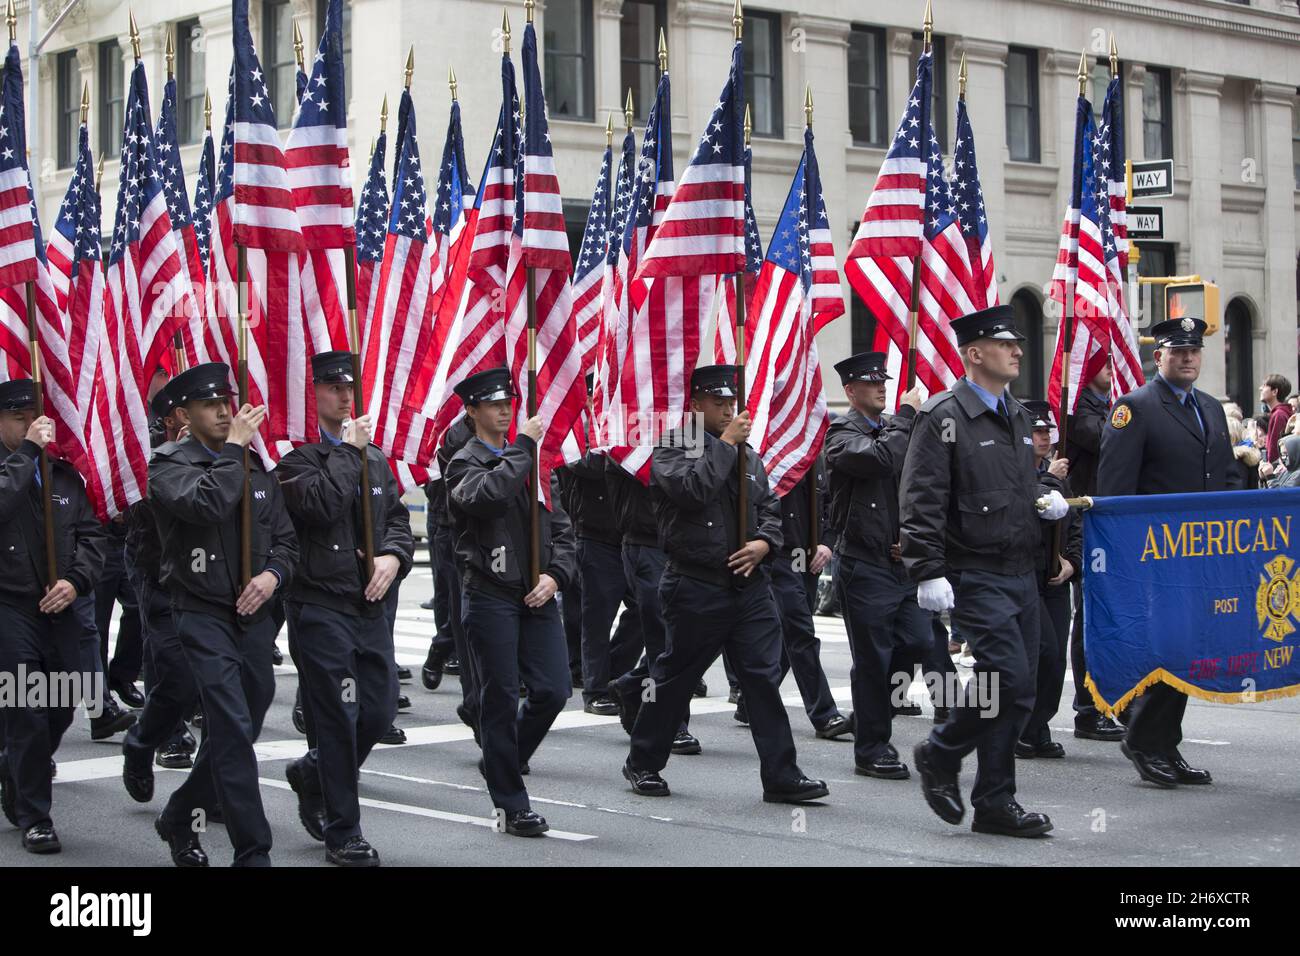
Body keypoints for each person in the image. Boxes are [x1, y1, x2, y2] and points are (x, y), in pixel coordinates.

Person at [620, 365, 828, 805]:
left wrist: (764, 543)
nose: (728, 410)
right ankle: (643, 761)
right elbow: (692, 492)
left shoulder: (749, 456)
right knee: (676, 678)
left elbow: (770, 507)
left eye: (731, 403)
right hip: (696, 584)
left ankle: (781, 775)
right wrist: (727, 444)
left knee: (762, 680)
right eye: (718, 404)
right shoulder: (674, 448)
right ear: (695, 405)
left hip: (749, 587)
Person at [901, 304, 1068, 838]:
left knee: (1019, 688)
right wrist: (926, 569)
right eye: (1005, 344)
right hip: (973, 570)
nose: (1018, 350)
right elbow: (923, 498)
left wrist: (1043, 498)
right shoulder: (943, 416)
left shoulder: (1017, 415)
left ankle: (995, 801)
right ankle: (941, 753)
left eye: (1017, 343)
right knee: (1009, 676)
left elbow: (1015, 487)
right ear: (975, 354)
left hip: (1021, 570)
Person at [148, 363, 298, 866]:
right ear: (184, 414)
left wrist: (272, 575)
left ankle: (179, 812)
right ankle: (253, 850)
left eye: (226, 401)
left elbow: (285, 541)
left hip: (253, 616)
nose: (223, 410)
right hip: (201, 612)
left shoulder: (255, 466)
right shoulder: (170, 464)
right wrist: (234, 449)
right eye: (210, 404)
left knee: (246, 719)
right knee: (231, 728)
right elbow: (208, 504)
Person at [275, 351, 413, 866]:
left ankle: (313, 772)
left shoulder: (372, 456)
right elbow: (320, 506)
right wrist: (347, 453)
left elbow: (396, 518)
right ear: (312, 394)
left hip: (368, 604)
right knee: (336, 716)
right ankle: (343, 831)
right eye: (333, 387)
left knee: (376, 712)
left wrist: (394, 558)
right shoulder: (296, 458)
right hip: (318, 603)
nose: (345, 394)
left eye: (349, 386)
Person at [445, 367, 577, 837]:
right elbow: (485, 498)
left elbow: (561, 530)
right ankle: (511, 803)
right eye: (495, 404)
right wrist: (522, 446)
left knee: (554, 689)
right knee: (498, 698)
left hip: (536, 594)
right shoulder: (465, 460)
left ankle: (506, 757)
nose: (505, 410)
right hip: (489, 594)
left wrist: (555, 575)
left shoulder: (532, 463)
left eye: (509, 402)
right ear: (472, 411)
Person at [1099, 317, 1230, 789]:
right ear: (1159, 357)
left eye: (1194, 351)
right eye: (1177, 352)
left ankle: (1164, 743)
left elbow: (1227, 480)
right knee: (1165, 649)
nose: (1188, 358)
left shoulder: (1212, 409)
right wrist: (1125, 558)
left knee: (1189, 651)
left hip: (1204, 556)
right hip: (1155, 558)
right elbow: (1116, 491)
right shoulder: (1134, 409)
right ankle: (1142, 740)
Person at [0, 379, 107, 854]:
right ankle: (36, 816)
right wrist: (25, 453)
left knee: (62, 707)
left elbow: (92, 539)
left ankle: (16, 767)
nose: (33, 426)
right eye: (20, 418)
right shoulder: (13, 467)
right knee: (27, 706)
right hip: (10, 606)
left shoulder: (64, 478)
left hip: (59, 607)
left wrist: (76, 581)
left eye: (35, 417)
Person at [824, 351, 929, 778]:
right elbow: (880, 459)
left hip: (902, 565)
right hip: (864, 564)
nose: (882, 387)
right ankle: (872, 748)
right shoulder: (841, 433)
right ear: (850, 391)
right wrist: (907, 415)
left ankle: (870, 712)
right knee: (872, 658)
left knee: (920, 641)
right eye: (871, 383)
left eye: (884, 381)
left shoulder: (895, 429)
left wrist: (914, 540)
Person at [121, 381, 204, 807]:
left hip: (216, 584)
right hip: (160, 574)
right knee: (174, 672)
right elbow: (143, 509)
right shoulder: (150, 449)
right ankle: (151, 737)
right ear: (172, 416)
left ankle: (213, 792)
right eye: (193, 408)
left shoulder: (226, 451)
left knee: (233, 692)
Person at [766, 458, 852, 740]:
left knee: (790, 636)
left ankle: (750, 700)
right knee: (801, 632)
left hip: (809, 558)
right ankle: (824, 714)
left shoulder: (812, 454)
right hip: (778, 555)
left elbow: (829, 504)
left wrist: (827, 542)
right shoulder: (768, 450)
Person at [1063, 366, 1126, 743]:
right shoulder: (1077, 409)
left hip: (1116, 528)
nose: (1111, 370)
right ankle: (1088, 710)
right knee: (1090, 619)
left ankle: (1116, 702)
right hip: (1088, 528)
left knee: (1115, 618)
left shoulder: (1113, 404)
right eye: (1103, 363)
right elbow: (1107, 439)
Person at [1015, 401, 1081, 759]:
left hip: (1056, 579)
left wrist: (1072, 561)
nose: (1043, 438)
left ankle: (1039, 726)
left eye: (1047, 431)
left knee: (1056, 661)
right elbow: (1030, 510)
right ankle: (1022, 727)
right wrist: (1052, 479)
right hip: (1026, 575)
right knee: (1040, 652)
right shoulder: (1017, 471)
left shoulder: (1059, 475)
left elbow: (1076, 521)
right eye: (1037, 431)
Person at [1259, 373, 1293, 465]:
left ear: (1274, 392)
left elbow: (1274, 451)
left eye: (1265, 386)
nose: (1260, 388)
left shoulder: (1279, 415)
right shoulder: (1279, 413)